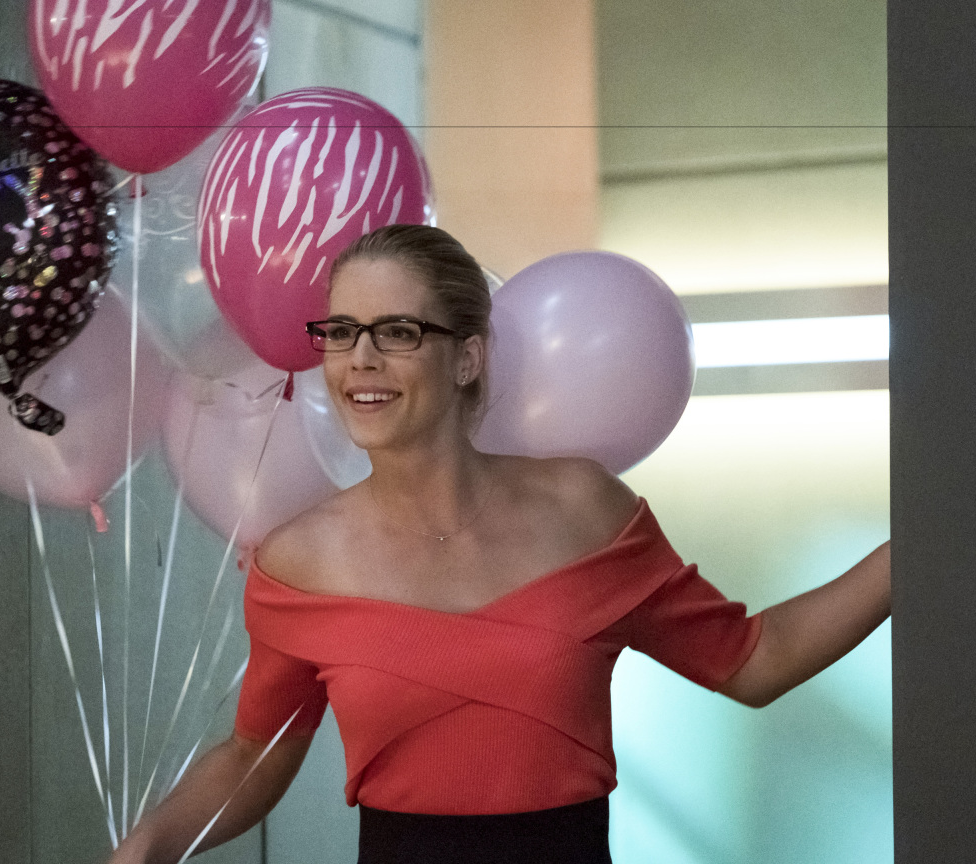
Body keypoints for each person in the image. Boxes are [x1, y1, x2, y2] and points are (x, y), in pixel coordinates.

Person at [109, 225, 891, 864]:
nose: (360, 360)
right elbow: (254, 755)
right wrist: (144, 850)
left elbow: (754, 660)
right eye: (341, 333)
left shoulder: (582, 506)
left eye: (397, 332)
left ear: (468, 357)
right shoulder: (296, 563)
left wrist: (922, 547)